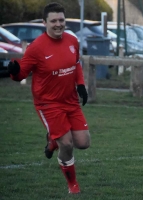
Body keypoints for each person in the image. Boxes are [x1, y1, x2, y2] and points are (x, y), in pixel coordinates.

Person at [7, 2, 90, 194]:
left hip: (70, 101)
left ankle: (52, 141)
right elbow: (21, 74)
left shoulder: (72, 41)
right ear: (45, 22)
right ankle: (73, 186)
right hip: (48, 104)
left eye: (61, 20)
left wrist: (81, 85)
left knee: (84, 143)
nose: (58, 24)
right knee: (67, 144)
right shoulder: (36, 48)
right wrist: (14, 72)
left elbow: (76, 64)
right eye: (54, 21)